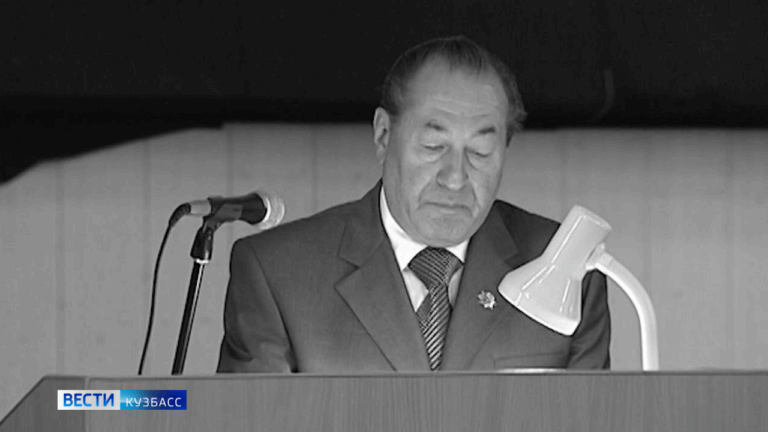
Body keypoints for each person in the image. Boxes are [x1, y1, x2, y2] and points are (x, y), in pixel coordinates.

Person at [216, 35, 610, 373]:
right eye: (433, 146)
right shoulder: (279, 274)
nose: (455, 178)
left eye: (480, 152)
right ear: (383, 136)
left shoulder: (564, 264)